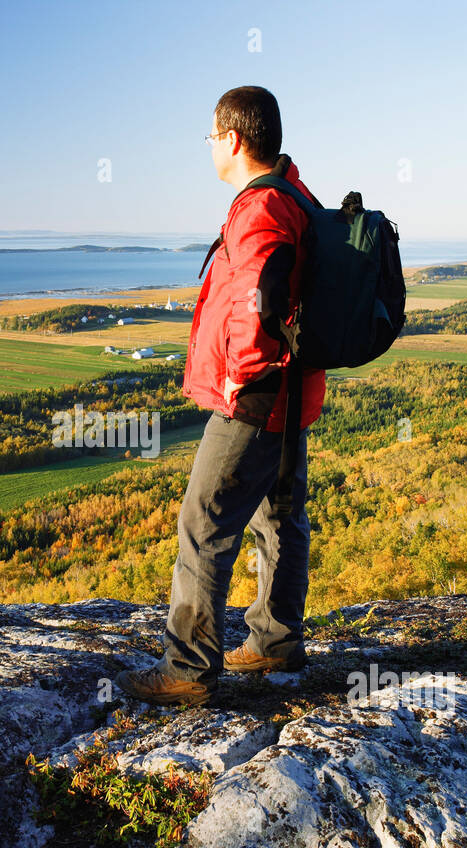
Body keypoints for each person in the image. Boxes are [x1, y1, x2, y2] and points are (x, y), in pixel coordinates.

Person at [115, 86, 327, 706]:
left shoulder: (259, 206)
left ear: (233, 139)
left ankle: (187, 669)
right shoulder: (296, 193)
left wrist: (241, 373)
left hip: (256, 397)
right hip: (290, 394)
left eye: (211, 138)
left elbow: (256, 296)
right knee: (279, 515)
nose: (210, 148)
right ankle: (274, 642)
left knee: (202, 522)